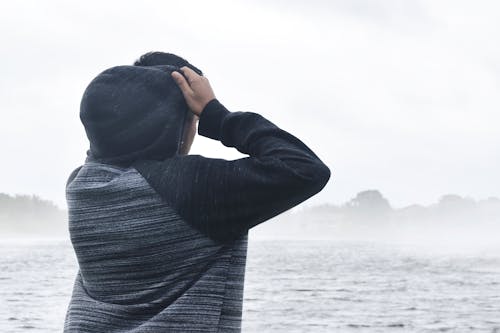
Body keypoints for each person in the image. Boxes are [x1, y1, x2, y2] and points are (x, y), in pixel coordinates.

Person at [63, 51, 331, 332]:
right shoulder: (191, 189)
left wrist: (144, 88)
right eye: (191, 119)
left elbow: (109, 135)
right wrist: (215, 113)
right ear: (175, 125)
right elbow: (305, 169)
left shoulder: (82, 185)